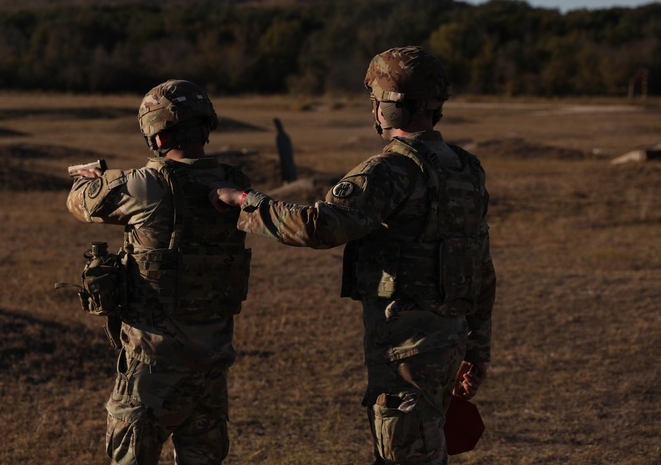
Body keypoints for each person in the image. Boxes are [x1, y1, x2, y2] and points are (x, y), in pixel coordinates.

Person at [212, 46, 496, 465]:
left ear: (387, 108)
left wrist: (244, 201)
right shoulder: (466, 168)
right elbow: (481, 266)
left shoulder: (389, 170)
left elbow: (319, 226)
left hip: (406, 351)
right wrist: (478, 348)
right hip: (449, 340)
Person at [66, 79, 252, 465]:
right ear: (206, 126)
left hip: (152, 369)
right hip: (212, 365)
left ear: (156, 135)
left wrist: (90, 180)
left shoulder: (145, 185)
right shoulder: (234, 184)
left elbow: (81, 204)